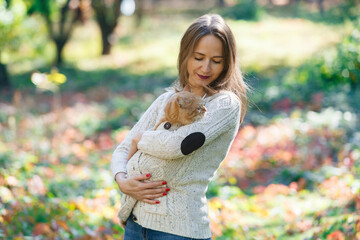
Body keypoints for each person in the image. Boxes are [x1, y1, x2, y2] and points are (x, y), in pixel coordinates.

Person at [111, 13, 248, 240]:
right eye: (198, 57)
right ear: (185, 56)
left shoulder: (224, 104)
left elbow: (178, 145)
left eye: (216, 60)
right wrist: (122, 180)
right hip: (135, 225)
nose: (205, 67)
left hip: (179, 231)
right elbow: (123, 148)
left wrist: (140, 139)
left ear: (227, 63)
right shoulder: (167, 100)